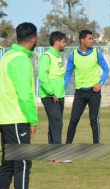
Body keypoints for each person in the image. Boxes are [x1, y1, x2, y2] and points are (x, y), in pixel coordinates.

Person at [0, 22, 49, 189]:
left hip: (5, 118)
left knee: (8, 164)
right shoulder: (20, 60)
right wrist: (33, 119)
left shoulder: (6, 57)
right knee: (22, 163)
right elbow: (25, 95)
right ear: (34, 39)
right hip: (16, 118)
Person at [64, 30, 110, 144]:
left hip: (94, 92)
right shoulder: (73, 55)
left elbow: (106, 70)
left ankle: (96, 145)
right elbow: (68, 74)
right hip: (80, 93)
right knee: (73, 120)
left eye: (92, 38)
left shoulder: (96, 53)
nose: (92, 41)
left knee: (94, 121)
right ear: (82, 40)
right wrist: (62, 89)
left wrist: (100, 83)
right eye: (90, 39)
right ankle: (67, 146)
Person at [38, 31, 71, 163]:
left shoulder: (57, 56)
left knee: (54, 124)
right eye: (63, 41)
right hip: (50, 96)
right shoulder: (46, 56)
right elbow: (42, 76)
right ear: (57, 42)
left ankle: (51, 156)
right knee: (57, 123)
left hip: (59, 95)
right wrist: (52, 92)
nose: (65, 44)